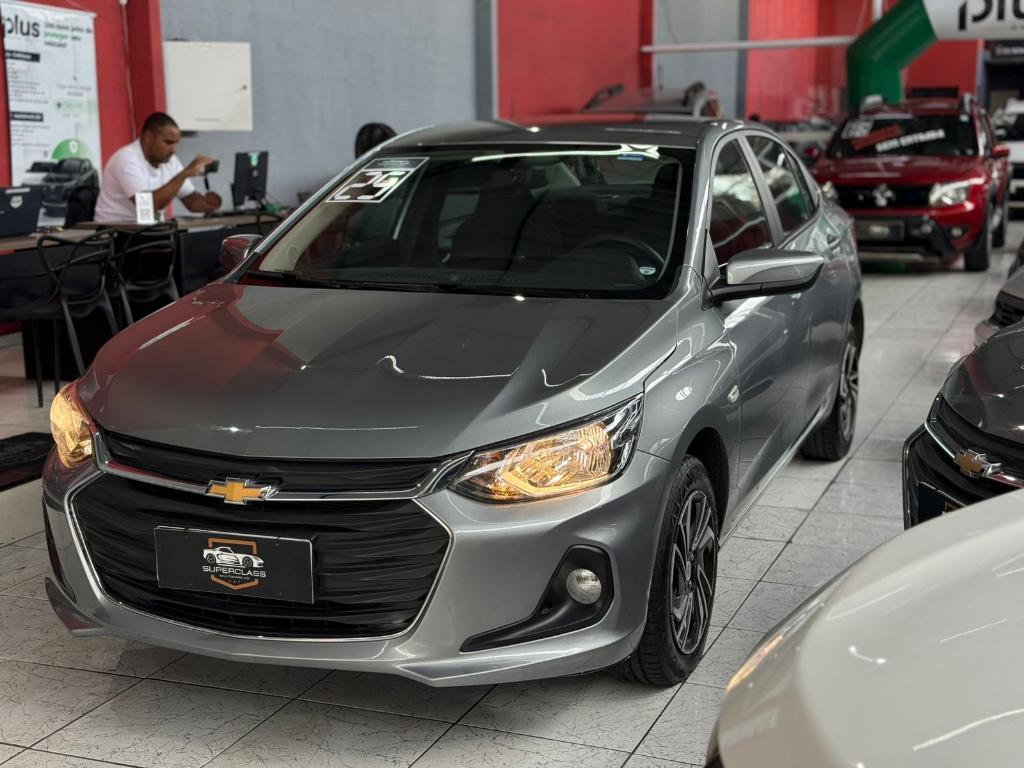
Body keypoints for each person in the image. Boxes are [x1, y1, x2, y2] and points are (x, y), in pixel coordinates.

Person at [94, 112, 221, 223]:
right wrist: (185, 173)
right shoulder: (126, 159)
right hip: (115, 233)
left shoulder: (171, 161)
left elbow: (191, 202)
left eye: (175, 143)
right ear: (148, 137)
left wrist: (208, 203)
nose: (173, 149)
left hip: (147, 231)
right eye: (168, 142)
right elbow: (149, 206)